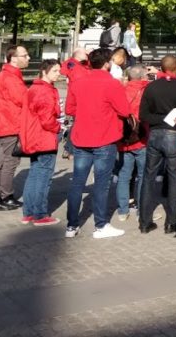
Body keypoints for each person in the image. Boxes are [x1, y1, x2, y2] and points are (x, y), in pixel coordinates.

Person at [65, 48, 131, 238]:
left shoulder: (77, 82)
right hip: (104, 137)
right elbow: (125, 111)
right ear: (107, 63)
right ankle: (100, 225)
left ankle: (71, 225)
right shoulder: (111, 83)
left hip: (81, 137)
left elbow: (70, 108)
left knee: (77, 182)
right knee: (101, 184)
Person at [138, 55, 176, 235]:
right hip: (174, 135)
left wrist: (161, 119)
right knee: (173, 177)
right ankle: (171, 222)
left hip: (155, 133)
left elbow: (143, 115)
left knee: (148, 177)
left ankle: (145, 222)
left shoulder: (151, 87)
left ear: (161, 68)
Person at [19, 59, 62, 225]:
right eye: (55, 71)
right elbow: (46, 119)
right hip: (44, 138)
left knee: (35, 174)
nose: (58, 74)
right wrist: (58, 127)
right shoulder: (45, 91)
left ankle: (28, 212)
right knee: (43, 176)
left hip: (34, 137)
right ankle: (40, 214)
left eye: (59, 71)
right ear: (45, 71)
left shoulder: (34, 88)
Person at [0, 45, 29, 210]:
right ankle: (6, 196)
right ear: (14, 58)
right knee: (10, 161)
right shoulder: (11, 78)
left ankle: (0, 195)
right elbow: (24, 100)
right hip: (10, 124)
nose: (28, 58)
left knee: (1, 161)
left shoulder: (4, 75)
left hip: (3, 123)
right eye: (24, 55)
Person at [116, 65, 149, 221]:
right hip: (142, 138)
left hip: (124, 139)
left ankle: (123, 211)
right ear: (142, 76)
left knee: (124, 175)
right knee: (143, 175)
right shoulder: (146, 90)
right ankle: (142, 210)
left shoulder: (120, 90)